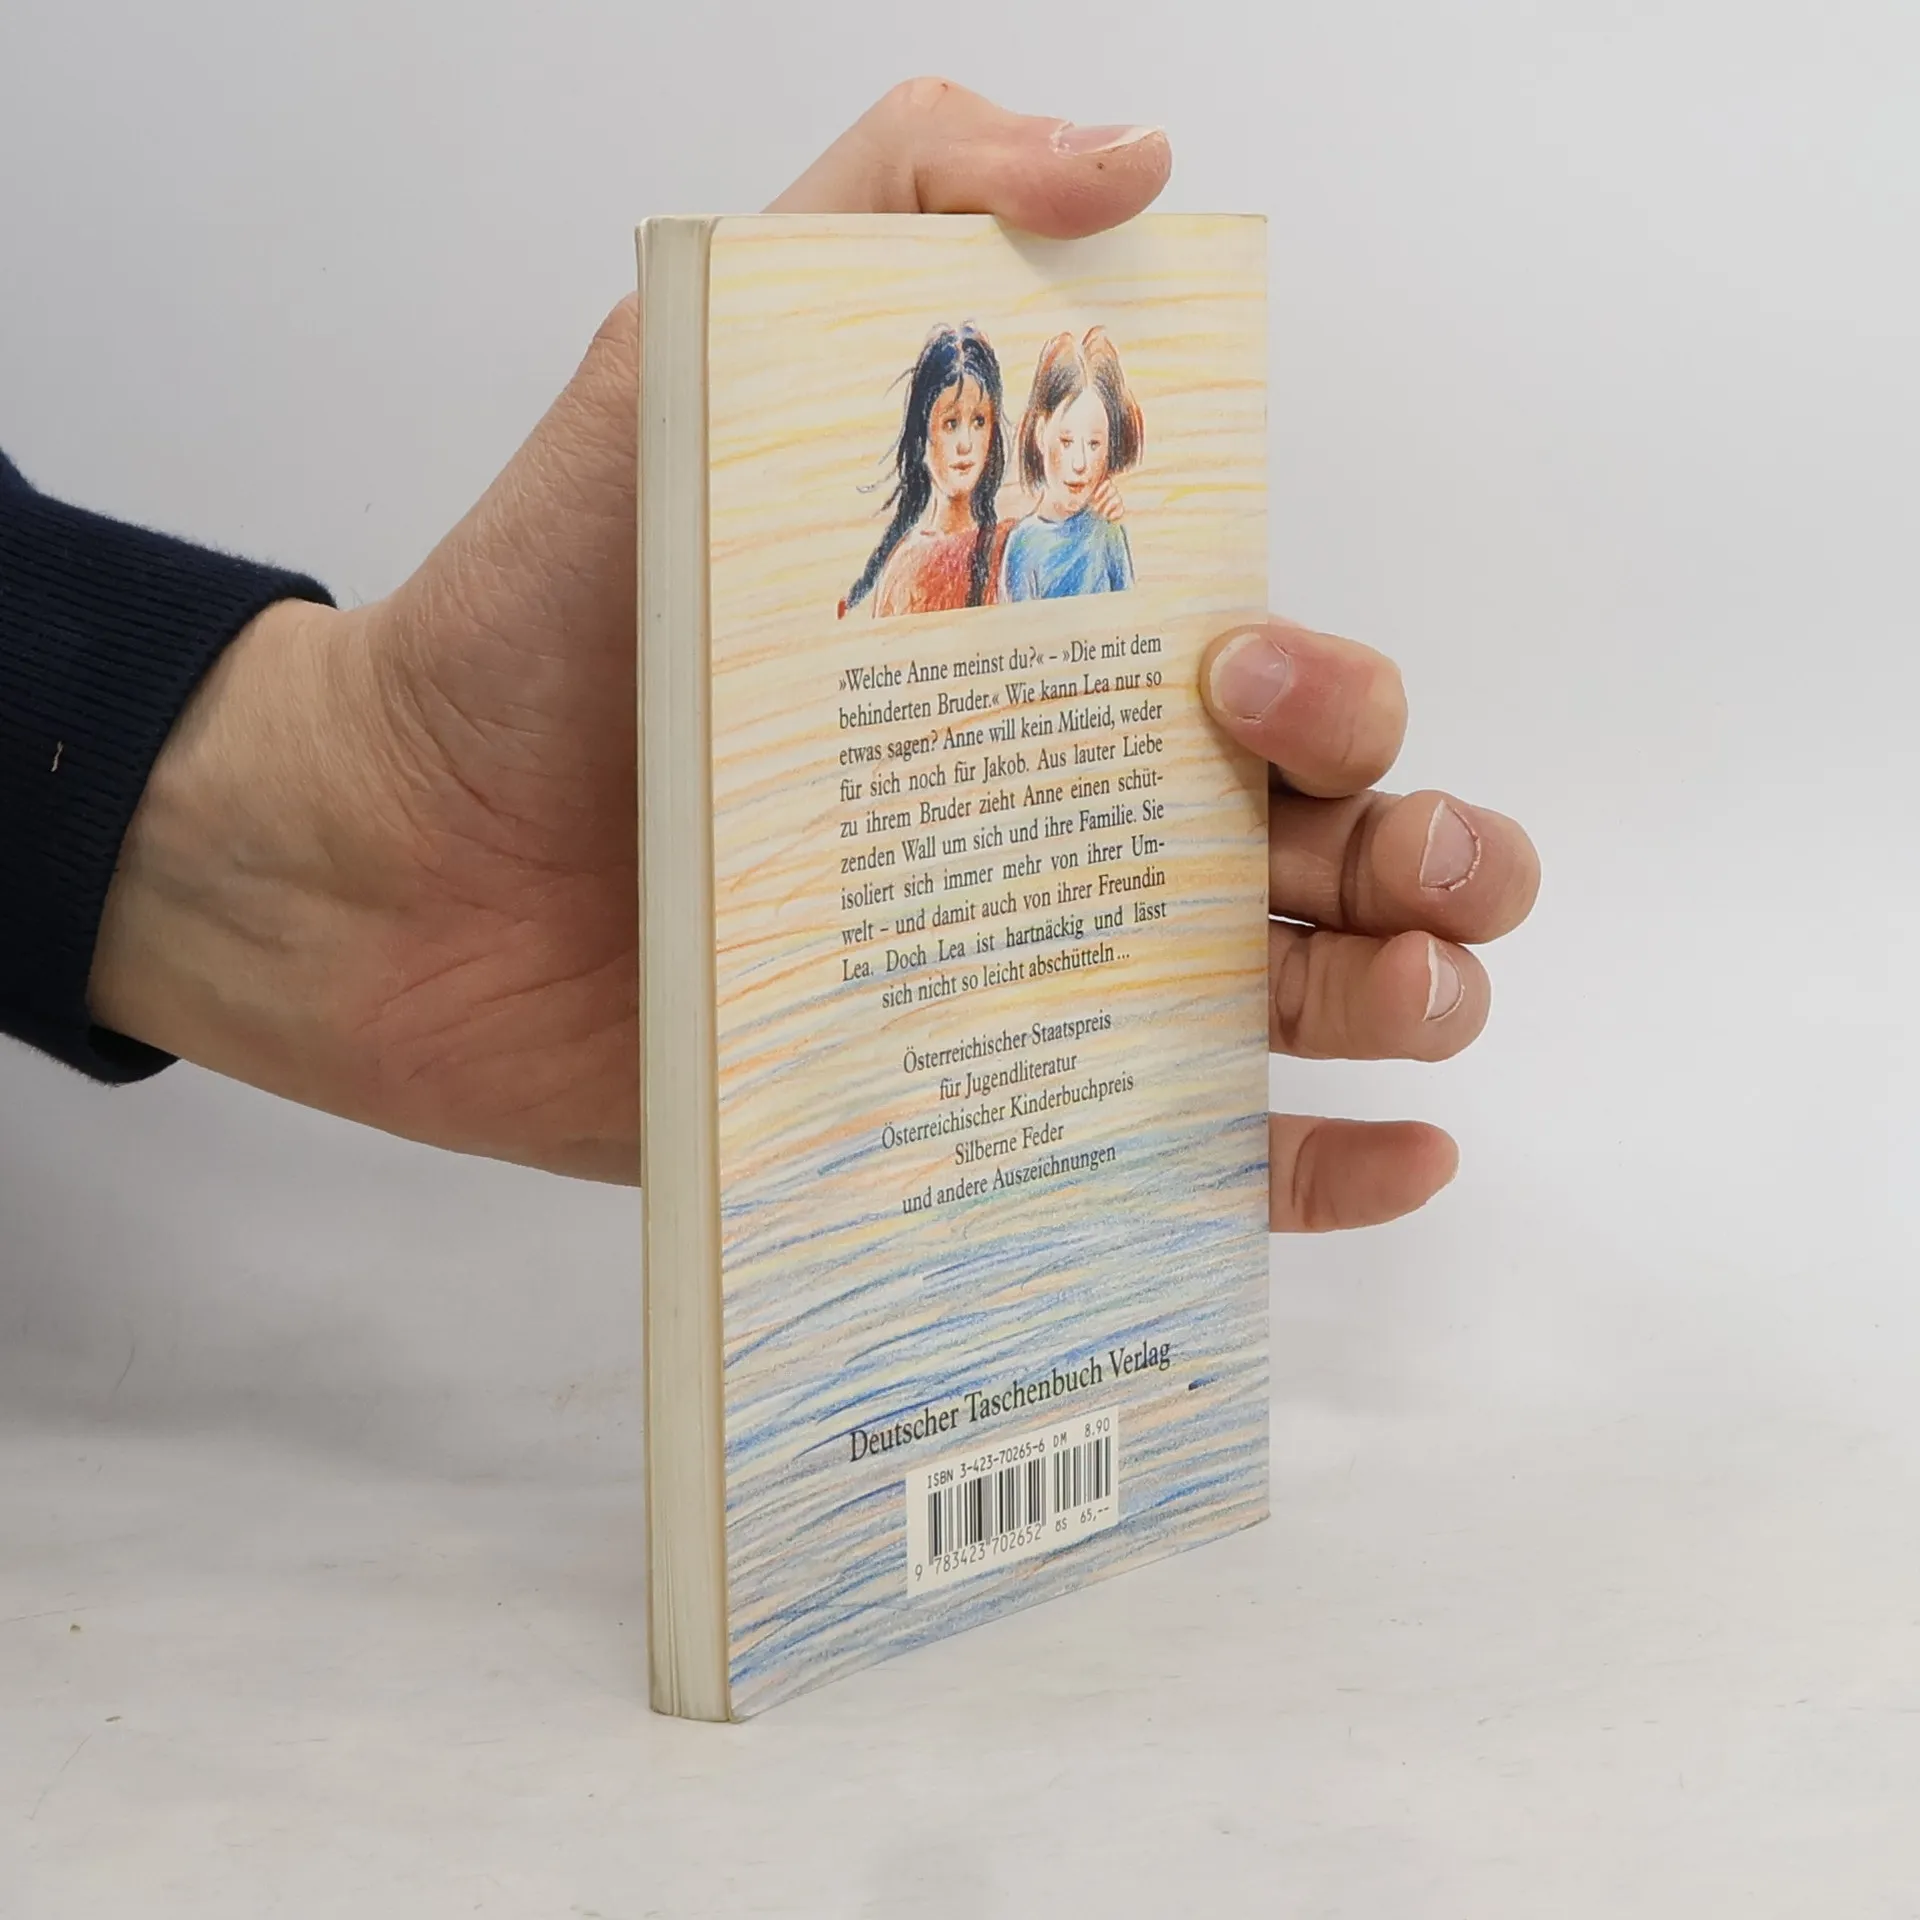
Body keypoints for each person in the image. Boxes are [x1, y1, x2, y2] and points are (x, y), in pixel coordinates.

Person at [0, 79, 1540, 1231]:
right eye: (966, 426)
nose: (988, 448)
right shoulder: (911, 559)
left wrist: (356, 825)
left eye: (996, 427)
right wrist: (373, 809)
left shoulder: (1049, 549)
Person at [843, 323, 1011, 619]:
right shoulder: (905, 569)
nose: (966, 443)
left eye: (979, 421)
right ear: (922, 436)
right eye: (951, 423)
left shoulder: (1012, 543)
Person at [1002, 326, 1141, 601]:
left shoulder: (1109, 533)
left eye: (1094, 444)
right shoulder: (1023, 545)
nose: (1080, 463)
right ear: (1041, 433)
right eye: (1066, 442)